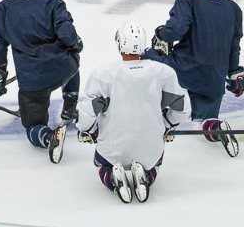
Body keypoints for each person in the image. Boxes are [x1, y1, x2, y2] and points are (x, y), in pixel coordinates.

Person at [75, 22, 188, 204]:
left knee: (100, 163)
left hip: (112, 146)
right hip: (150, 146)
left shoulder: (103, 74)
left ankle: (113, 178)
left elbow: (86, 113)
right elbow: (182, 108)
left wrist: (87, 130)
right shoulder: (162, 72)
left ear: (120, 44)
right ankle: (145, 176)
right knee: (155, 163)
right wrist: (167, 125)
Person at [0, 0, 82, 163]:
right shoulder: (54, 3)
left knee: (33, 126)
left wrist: (0, 69)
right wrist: (75, 43)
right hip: (61, 67)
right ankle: (70, 106)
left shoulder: (2, 9)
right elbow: (67, 35)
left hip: (31, 79)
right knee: (73, 59)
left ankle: (48, 137)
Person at [142, 0, 243, 126]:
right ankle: (210, 127)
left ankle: (153, 110)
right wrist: (234, 73)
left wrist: (160, 33)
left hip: (184, 68)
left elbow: (175, 31)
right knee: (203, 123)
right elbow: (234, 46)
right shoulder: (234, 8)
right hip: (214, 77)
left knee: (146, 57)